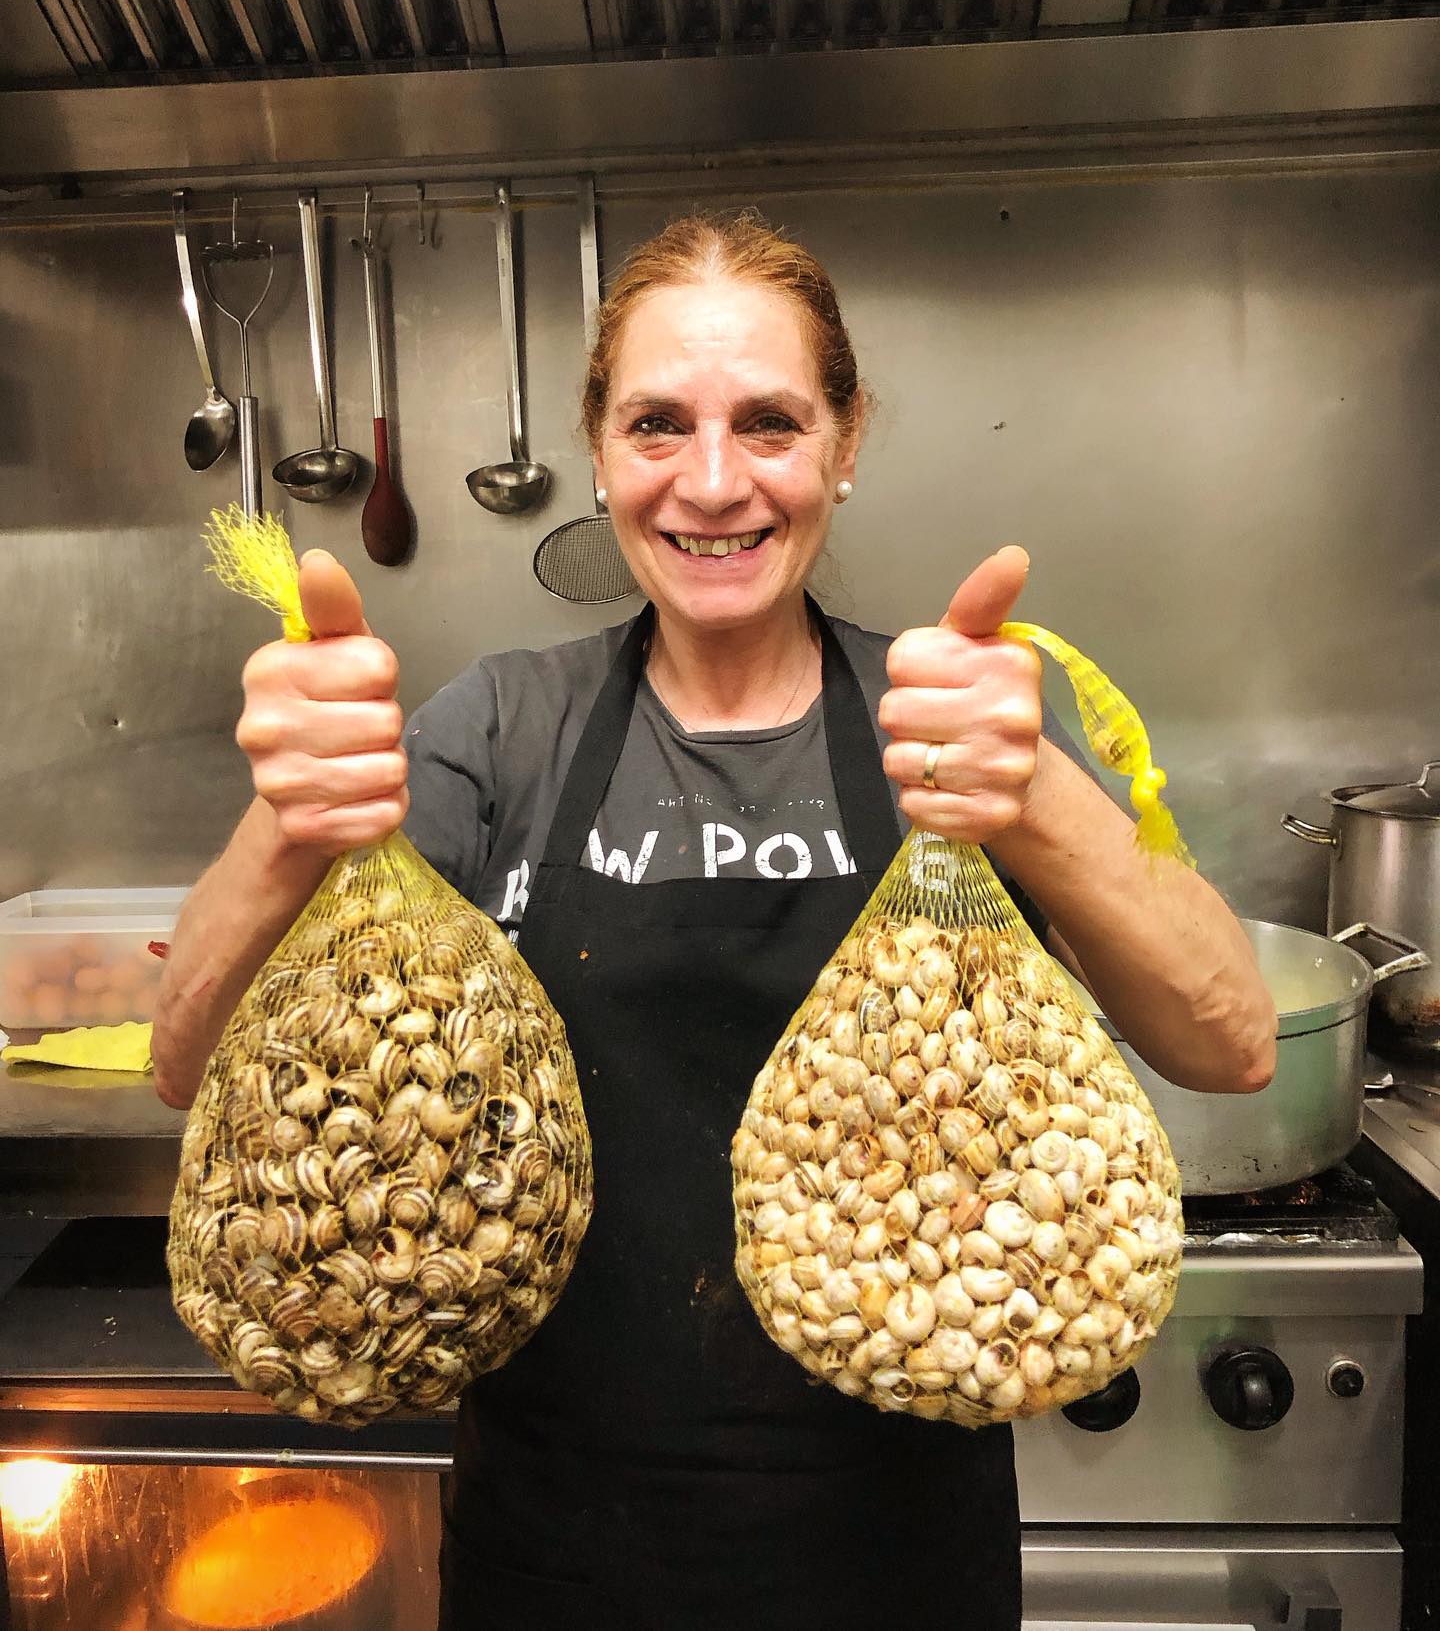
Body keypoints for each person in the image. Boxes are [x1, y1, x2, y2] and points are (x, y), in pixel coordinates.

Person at [152, 212, 1276, 1630]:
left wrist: (1033, 793)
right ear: (601, 450)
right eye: (657, 425)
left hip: (898, 1564)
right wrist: (290, 822)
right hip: (557, 1561)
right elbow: (187, 1062)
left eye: (770, 423)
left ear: (846, 443)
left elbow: (1232, 1043)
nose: (714, 481)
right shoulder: (500, 729)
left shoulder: (954, 725)